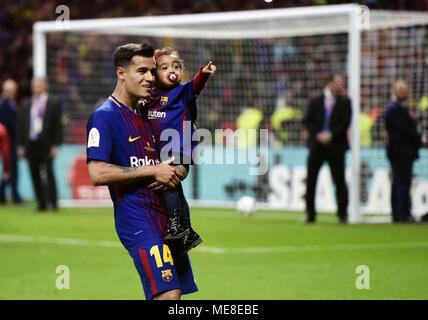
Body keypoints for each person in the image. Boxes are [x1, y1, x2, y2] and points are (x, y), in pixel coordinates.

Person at [86, 43, 197, 300]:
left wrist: (180, 168)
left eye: (152, 71)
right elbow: (97, 173)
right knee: (168, 294)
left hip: (168, 218)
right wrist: (153, 170)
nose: (150, 78)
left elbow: (171, 159)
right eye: (142, 71)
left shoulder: (150, 111)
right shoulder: (105, 116)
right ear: (121, 73)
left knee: (173, 295)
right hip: (137, 217)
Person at [145, 47, 216, 250]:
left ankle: (176, 223)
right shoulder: (149, 97)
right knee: (174, 185)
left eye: (176, 66)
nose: (172, 70)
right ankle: (187, 229)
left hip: (180, 147)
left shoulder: (182, 92)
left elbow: (195, 86)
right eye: (165, 67)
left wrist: (202, 74)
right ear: (155, 72)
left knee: (169, 181)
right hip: (161, 151)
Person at [302, 74, 352, 224]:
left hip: (335, 146)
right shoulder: (315, 100)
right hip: (316, 146)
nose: (341, 85)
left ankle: (342, 214)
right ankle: (310, 214)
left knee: (339, 181)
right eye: (339, 83)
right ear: (330, 83)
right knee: (311, 181)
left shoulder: (345, 102)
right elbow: (307, 120)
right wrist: (318, 134)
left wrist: (330, 134)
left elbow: (345, 123)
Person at [17, 78, 63, 211]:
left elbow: (57, 126)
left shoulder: (53, 103)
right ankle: (41, 203)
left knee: (49, 173)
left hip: (46, 144)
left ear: (45, 86)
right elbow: (21, 125)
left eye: (39, 85)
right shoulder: (26, 103)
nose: (36, 87)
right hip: (31, 143)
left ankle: (53, 203)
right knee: (34, 174)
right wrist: (21, 145)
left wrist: (55, 144)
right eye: (34, 85)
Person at [384, 80, 423, 223]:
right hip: (400, 152)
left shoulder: (403, 108)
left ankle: (399, 213)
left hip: (404, 152)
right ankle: (402, 214)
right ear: (395, 91)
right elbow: (405, 130)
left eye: (405, 90)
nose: (404, 93)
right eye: (401, 90)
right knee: (402, 183)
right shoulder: (393, 110)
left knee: (400, 183)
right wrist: (420, 138)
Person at [0, 79, 22, 204]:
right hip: (6, 142)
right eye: (8, 90)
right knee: (9, 169)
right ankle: (8, 195)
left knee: (11, 169)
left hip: (12, 142)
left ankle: (10, 195)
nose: (10, 92)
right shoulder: (3, 104)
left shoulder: (13, 103)